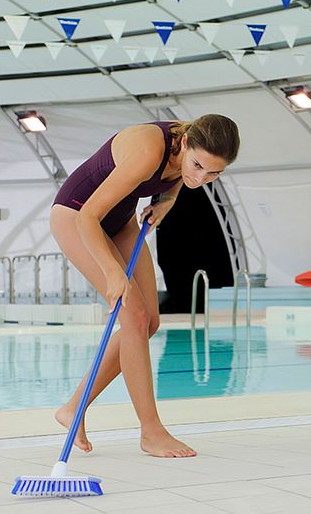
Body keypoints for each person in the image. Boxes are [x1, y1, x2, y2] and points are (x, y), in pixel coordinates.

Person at [50, 114, 240, 456]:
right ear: (184, 144)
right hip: (76, 218)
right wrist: (112, 272)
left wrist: (166, 203)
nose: (200, 178)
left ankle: (72, 409)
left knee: (148, 322)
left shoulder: (187, 150)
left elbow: (177, 180)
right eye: (197, 165)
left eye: (213, 173)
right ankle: (151, 431)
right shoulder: (147, 149)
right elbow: (87, 216)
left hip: (120, 224)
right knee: (133, 318)